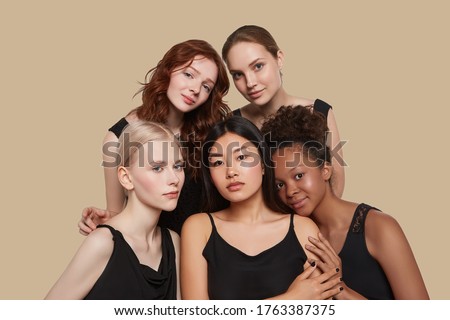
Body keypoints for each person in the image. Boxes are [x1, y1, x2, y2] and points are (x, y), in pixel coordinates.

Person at [261, 105, 430, 299]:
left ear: (326, 170)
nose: (290, 191)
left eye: (299, 175)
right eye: (279, 185)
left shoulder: (379, 227)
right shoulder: (293, 236)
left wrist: (339, 288)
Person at [78, 39, 231, 236]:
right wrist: (103, 224)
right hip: (157, 256)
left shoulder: (211, 132)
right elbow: (117, 213)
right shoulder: (119, 138)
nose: (195, 89)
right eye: (188, 74)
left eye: (206, 87)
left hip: (209, 247)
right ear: (167, 70)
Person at [181, 116, 343, 300]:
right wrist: (290, 300)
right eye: (218, 162)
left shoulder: (303, 230)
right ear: (210, 175)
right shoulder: (199, 228)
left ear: (265, 164)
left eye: (242, 157)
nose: (231, 171)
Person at [46, 121, 184, 299]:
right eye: (157, 168)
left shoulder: (173, 241)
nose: (174, 179)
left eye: (178, 166)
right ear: (126, 178)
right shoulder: (103, 243)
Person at [222, 25, 345, 198]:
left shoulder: (319, 111)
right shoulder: (232, 122)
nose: (250, 82)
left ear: (279, 59)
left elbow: (335, 183)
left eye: (258, 66)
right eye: (237, 75)